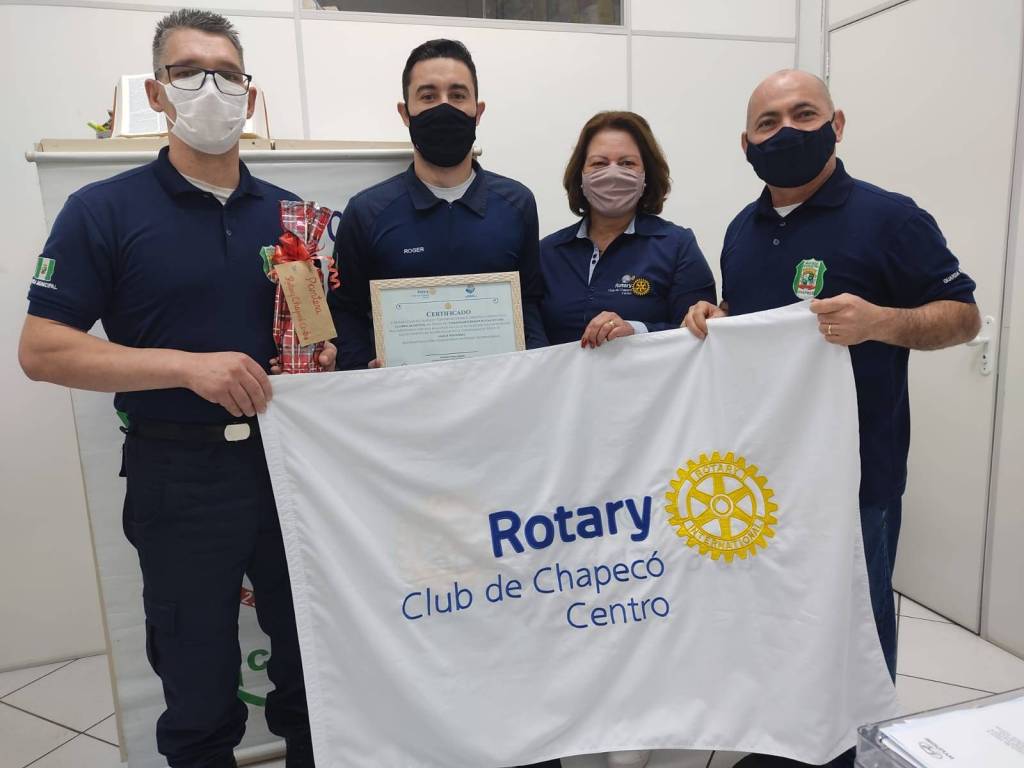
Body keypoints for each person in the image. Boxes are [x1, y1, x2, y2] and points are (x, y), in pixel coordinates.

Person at [18, 9, 330, 767]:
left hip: (291, 470)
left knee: (315, 670)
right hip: (179, 476)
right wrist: (186, 367)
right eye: (189, 73)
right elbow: (42, 349)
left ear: (249, 96)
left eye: (227, 75)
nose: (210, 89)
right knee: (197, 689)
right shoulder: (103, 210)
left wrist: (338, 356)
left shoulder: (294, 217)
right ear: (157, 94)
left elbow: (320, 336)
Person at [683, 69, 980, 768]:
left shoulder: (890, 217)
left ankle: (857, 750)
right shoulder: (742, 230)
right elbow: (755, 329)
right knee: (779, 614)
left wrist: (882, 322)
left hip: (858, 471)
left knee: (857, 623)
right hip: (766, 472)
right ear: (746, 144)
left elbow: (962, 317)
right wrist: (718, 319)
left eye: (803, 114)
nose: (786, 131)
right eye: (768, 122)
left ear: (836, 125)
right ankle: (789, 741)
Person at [328, 38, 547, 370]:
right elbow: (345, 311)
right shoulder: (366, 211)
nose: (444, 107)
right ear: (405, 113)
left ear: (478, 112)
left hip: (498, 391)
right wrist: (366, 374)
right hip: (403, 395)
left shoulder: (517, 204)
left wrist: (534, 366)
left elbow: (529, 302)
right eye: (428, 96)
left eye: (457, 95)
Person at [541, 111, 715, 355]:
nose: (613, 174)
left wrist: (637, 331)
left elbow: (700, 336)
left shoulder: (677, 246)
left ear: (646, 176)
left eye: (627, 163)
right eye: (599, 163)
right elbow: (528, 336)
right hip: (562, 381)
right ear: (581, 175)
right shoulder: (546, 253)